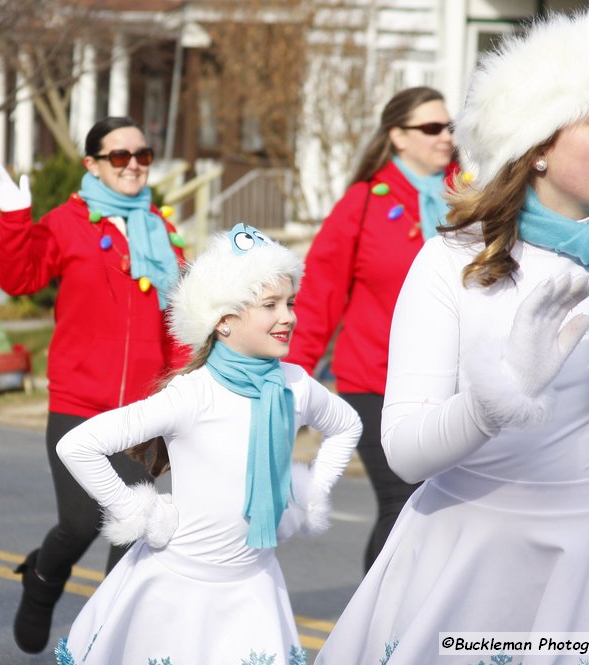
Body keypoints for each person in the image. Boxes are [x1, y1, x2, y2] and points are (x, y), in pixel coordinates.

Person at [316, 9, 589, 663]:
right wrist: (495, 399)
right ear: (539, 143)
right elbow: (406, 452)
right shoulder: (451, 262)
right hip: (477, 562)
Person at [52, 224, 362, 663]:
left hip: (254, 586)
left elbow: (346, 425)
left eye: (290, 303)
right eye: (270, 304)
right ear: (224, 320)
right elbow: (78, 445)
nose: (289, 316)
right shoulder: (192, 394)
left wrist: (310, 493)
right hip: (178, 586)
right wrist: (136, 512)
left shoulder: (297, 386)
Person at [0, 116, 187, 654]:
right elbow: (19, 278)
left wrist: (186, 390)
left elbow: (181, 322)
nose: (134, 164)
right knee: (78, 524)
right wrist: (14, 216)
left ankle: (107, 640)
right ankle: (42, 582)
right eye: (119, 157)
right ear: (92, 165)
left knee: (132, 524)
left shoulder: (162, 231)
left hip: (145, 411)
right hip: (79, 404)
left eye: (142, 154)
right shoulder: (68, 223)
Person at [286, 86, 457, 573]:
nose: (445, 136)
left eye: (450, 127)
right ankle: (376, 628)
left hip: (455, 383)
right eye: (431, 128)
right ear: (398, 137)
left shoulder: (473, 197)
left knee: (445, 509)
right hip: (376, 381)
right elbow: (318, 299)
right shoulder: (363, 204)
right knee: (401, 502)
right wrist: (288, 384)